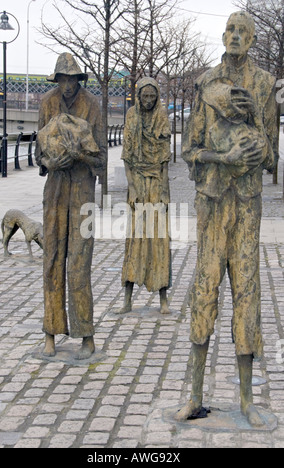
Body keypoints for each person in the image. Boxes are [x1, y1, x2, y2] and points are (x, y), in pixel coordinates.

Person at [176, 11, 278, 427]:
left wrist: (255, 119)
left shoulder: (266, 85)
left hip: (247, 206)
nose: (236, 36)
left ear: (252, 40)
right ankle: (195, 395)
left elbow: (272, 155)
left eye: (243, 32)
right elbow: (189, 150)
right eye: (231, 30)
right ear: (223, 35)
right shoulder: (206, 84)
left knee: (247, 294)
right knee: (204, 290)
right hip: (212, 202)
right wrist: (225, 157)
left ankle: (246, 400)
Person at [35, 53, 107, 359]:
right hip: (54, 194)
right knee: (52, 260)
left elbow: (101, 158)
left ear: (79, 80)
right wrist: (50, 161)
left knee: (79, 264)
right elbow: (38, 153)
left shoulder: (92, 105)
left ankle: (85, 333)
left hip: (82, 196)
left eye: (71, 79)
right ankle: (51, 331)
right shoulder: (46, 103)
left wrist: (78, 156)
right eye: (62, 79)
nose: (66, 86)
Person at [120, 77, 172, 315]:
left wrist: (164, 191)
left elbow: (164, 159)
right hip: (138, 182)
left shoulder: (162, 115)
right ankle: (127, 299)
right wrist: (131, 187)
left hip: (156, 183)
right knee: (135, 238)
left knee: (159, 238)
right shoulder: (132, 115)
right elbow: (127, 156)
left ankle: (163, 297)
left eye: (153, 96)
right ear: (138, 96)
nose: (149, 101)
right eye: (145, 96)